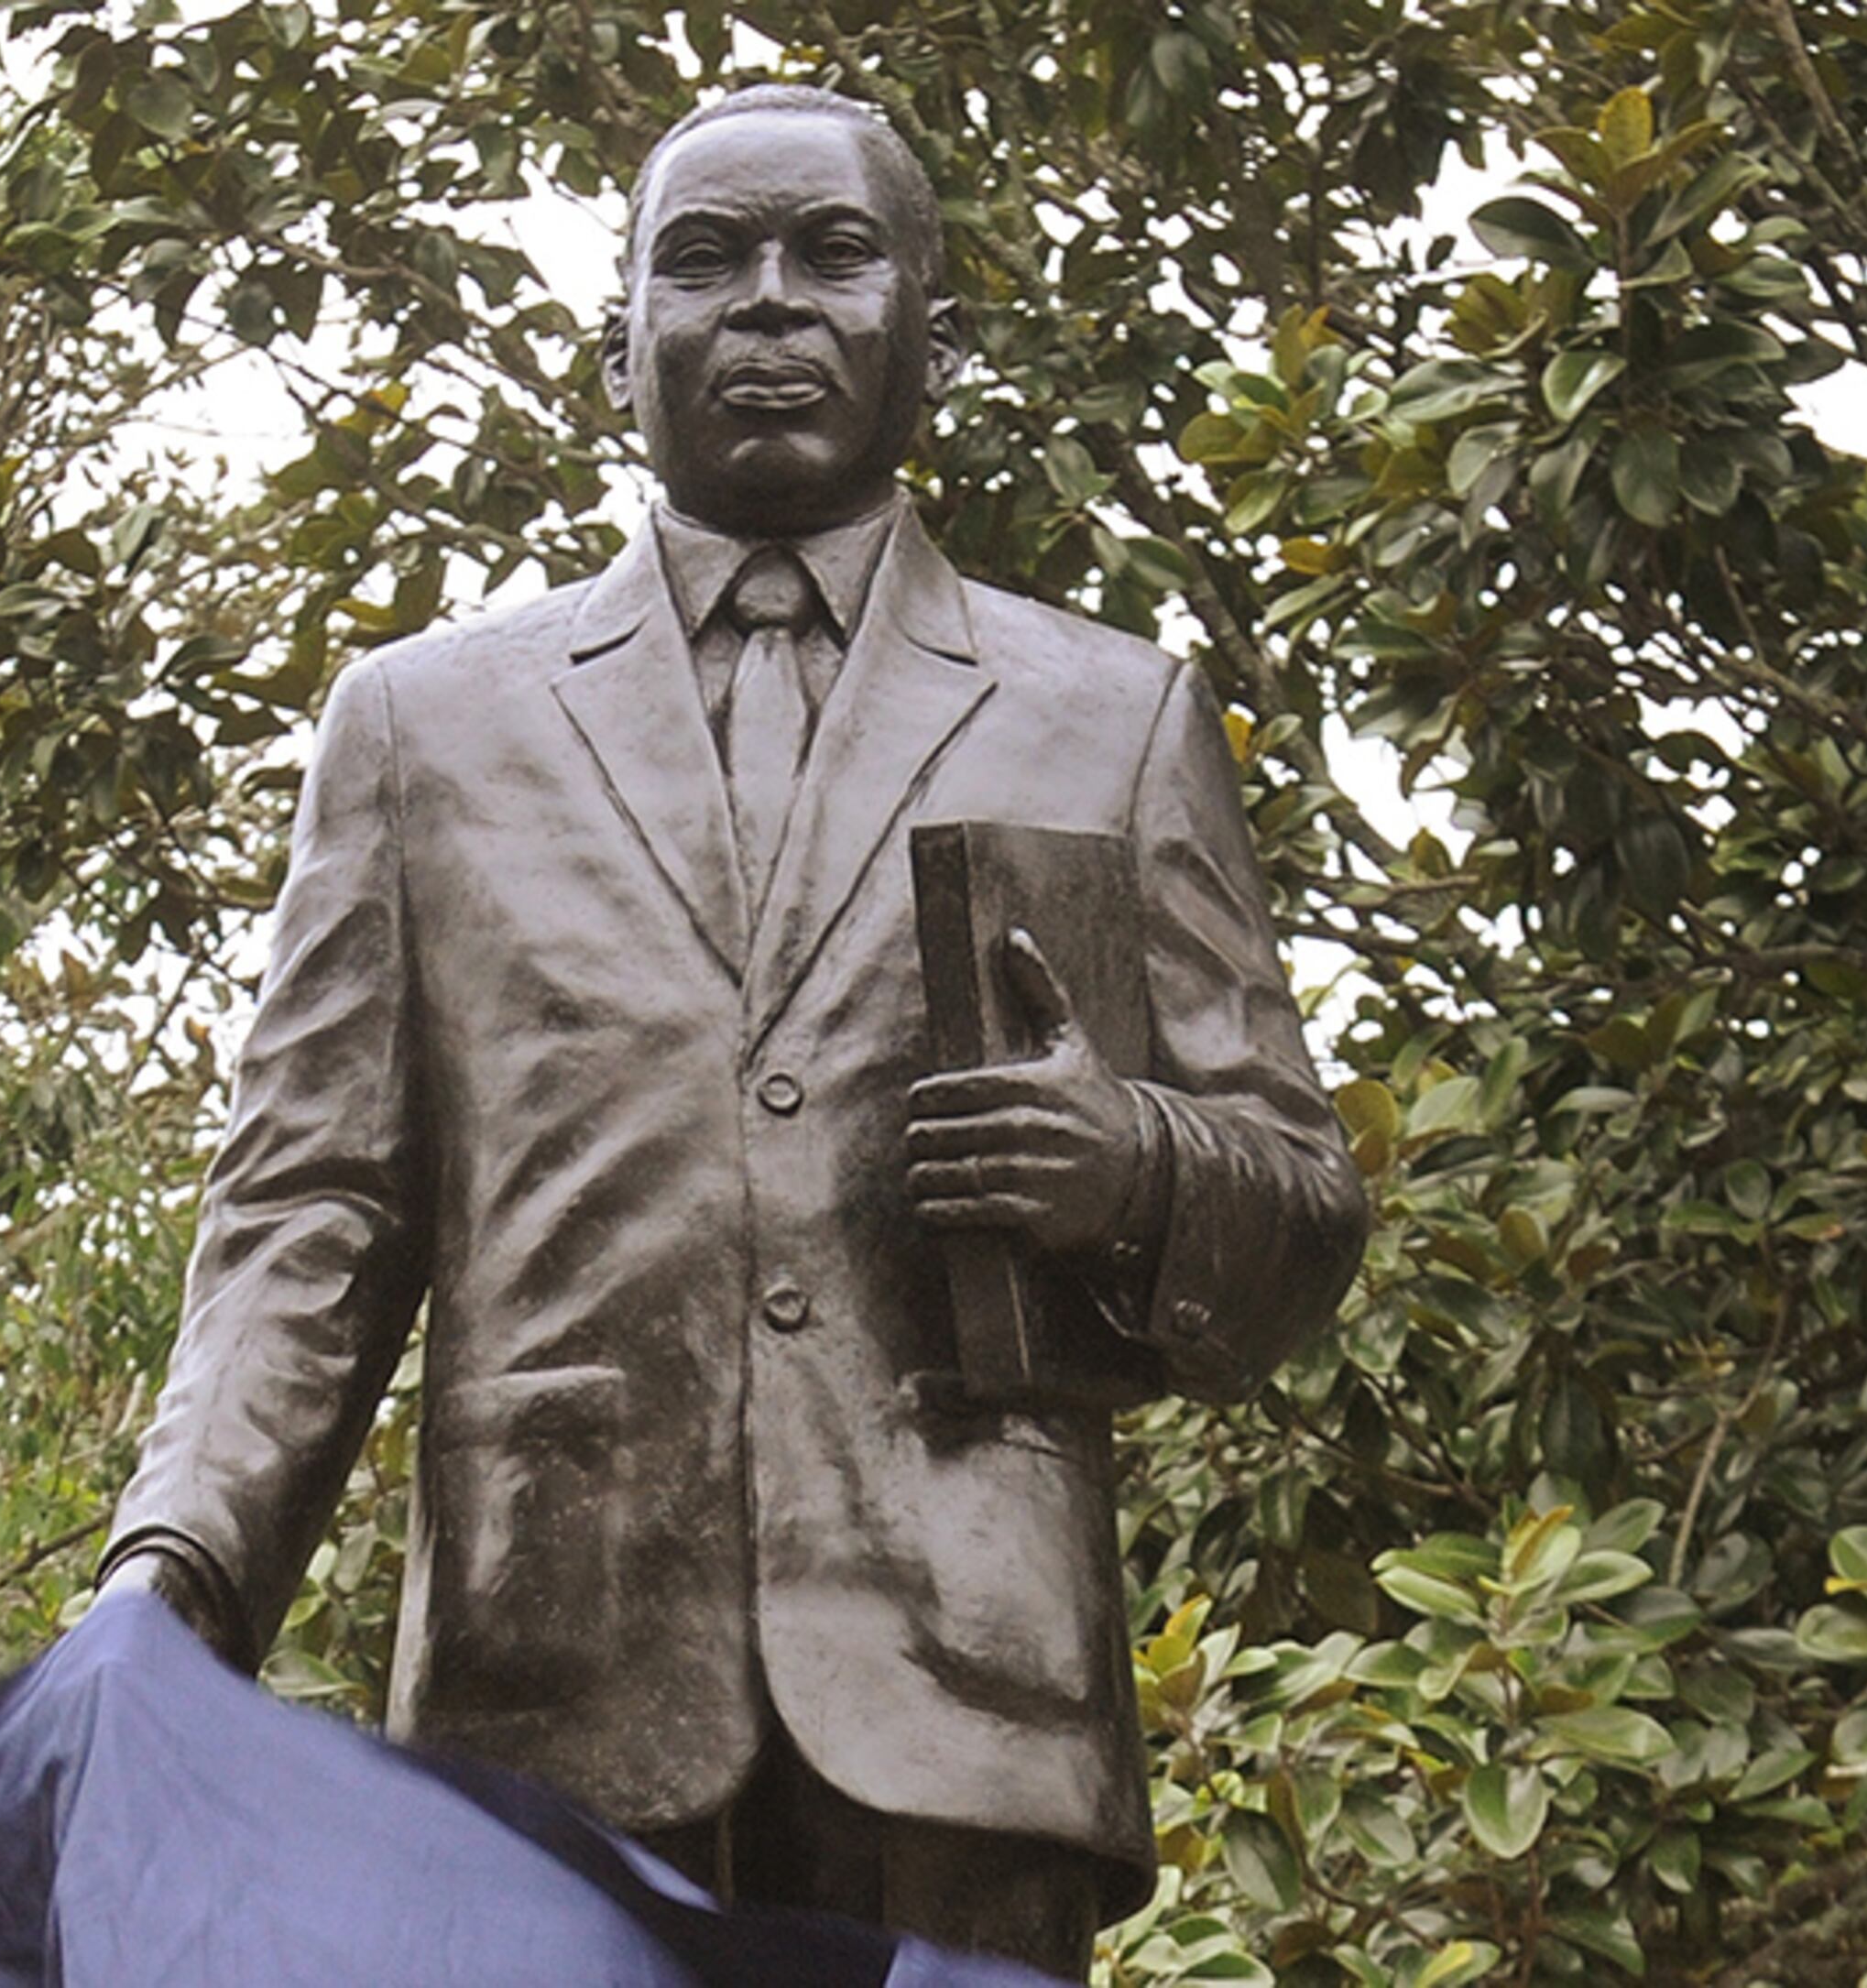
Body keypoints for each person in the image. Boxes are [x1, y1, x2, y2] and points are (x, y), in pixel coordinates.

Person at [98, 83, 1366, 1974]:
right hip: (551, 1693)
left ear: (933, 335)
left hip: (970, 1696)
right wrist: (175, 1572)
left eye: (831, 254)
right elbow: (311, 1210)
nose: (767, 304)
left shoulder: (1110, 710)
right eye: (703, 260)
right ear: (617, 339)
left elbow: (1303, 1195)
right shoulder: (423, 727)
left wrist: (1136, 1167)